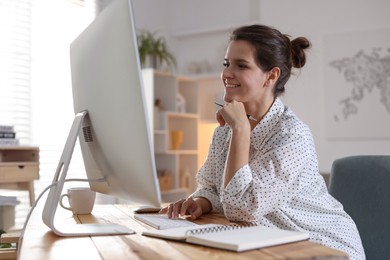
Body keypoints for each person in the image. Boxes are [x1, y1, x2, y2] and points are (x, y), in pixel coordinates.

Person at [159, 24, 365, 259]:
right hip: (269, 244)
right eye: (227, 64)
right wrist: (201, 201)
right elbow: (213, 187)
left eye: (241, 65)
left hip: (322, 246)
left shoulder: (293, 136)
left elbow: (241, 208)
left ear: (271, 75)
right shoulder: (225, 131)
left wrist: (240, 129)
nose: (227, 73)